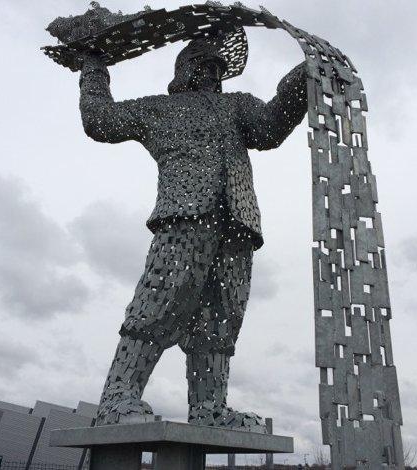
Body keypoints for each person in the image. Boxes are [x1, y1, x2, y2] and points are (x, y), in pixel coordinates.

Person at [79, 33, 308, 430]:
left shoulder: (237, 105)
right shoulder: (159, 109)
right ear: (184, 70)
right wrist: (94, 68)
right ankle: (118, 398)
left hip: (237, 222)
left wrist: (302, 80)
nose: (212, 73)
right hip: (183, 218)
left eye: (217, 68)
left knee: (220, 317)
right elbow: (99, 121)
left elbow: (270, 127)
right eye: (204, 65)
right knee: (159, 301)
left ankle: (210, 410)